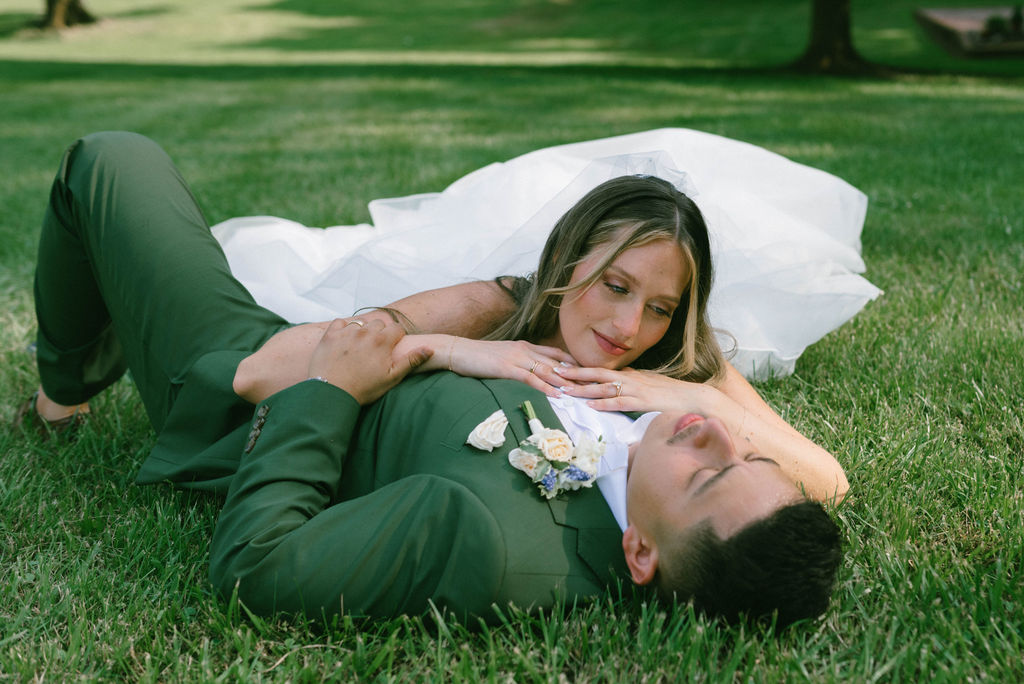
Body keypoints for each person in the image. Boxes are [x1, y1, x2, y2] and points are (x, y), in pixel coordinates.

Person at [20, 131, 846, 628]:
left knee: (110, 161)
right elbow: (825, 478)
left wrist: (427, 357)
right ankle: (71, 376)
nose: (719, 440)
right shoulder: (672, 402)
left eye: (708, 475)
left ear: (637, 553)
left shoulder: (485, 537)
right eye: (615, 288)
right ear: (567, 265)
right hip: (312, 346)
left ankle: (61, 393)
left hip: (241, 391)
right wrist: (698, 392)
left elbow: (255, 564)